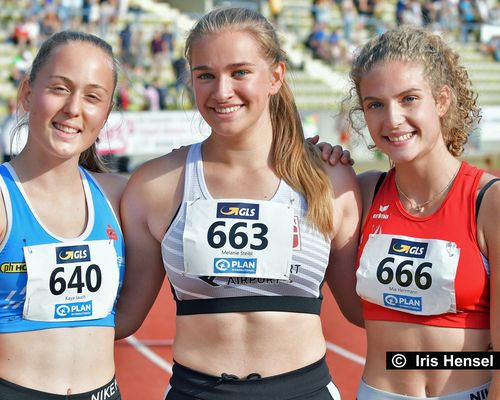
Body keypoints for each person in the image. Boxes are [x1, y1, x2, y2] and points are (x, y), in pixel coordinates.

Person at [116, 7, 362, 400]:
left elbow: (365, 312)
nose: (222, 91)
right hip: (195, 392)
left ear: (276, 77)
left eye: (240, 72)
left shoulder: (329, 180)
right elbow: (123, 317)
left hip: (305, 391)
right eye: (205, 75)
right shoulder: (157, 186)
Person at [341, 26, 500, 399]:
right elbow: (353, 311)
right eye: (375, 104)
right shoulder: (361, 192)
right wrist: (321, 163)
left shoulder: (489, 202)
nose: (392, 119)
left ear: (442, 100)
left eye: (409, 99)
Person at [0, 31, 126, 399]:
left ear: (106, 113)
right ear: (27, 93)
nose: (74, 108)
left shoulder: (120, 196)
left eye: (92, 97)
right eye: (59, 88)